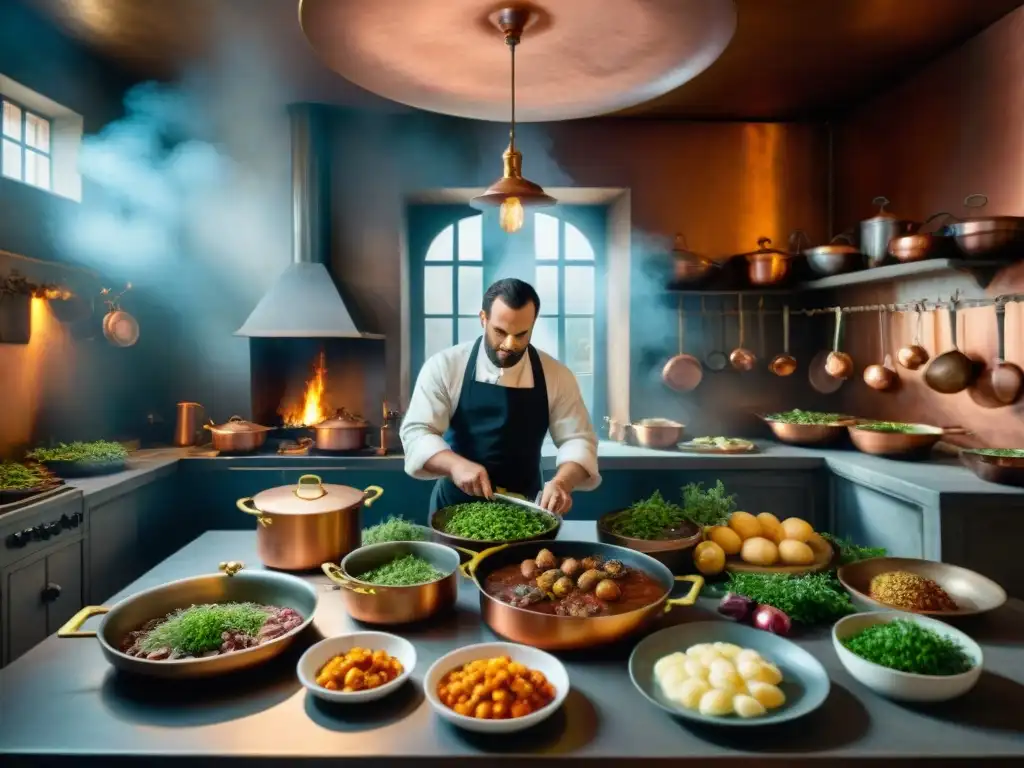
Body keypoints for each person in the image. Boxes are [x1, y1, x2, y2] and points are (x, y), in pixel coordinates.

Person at [400, 277, 600, 516]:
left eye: (521, 334)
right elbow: (417, 432)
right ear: (483, 319)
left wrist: (562, 483)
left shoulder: (556, 375)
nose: (510, 344)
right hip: (454, 509)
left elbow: (578, 440)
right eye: (500, 331)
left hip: (526, 509)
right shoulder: (445, 366)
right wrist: (456, 465)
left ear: (533, 324)